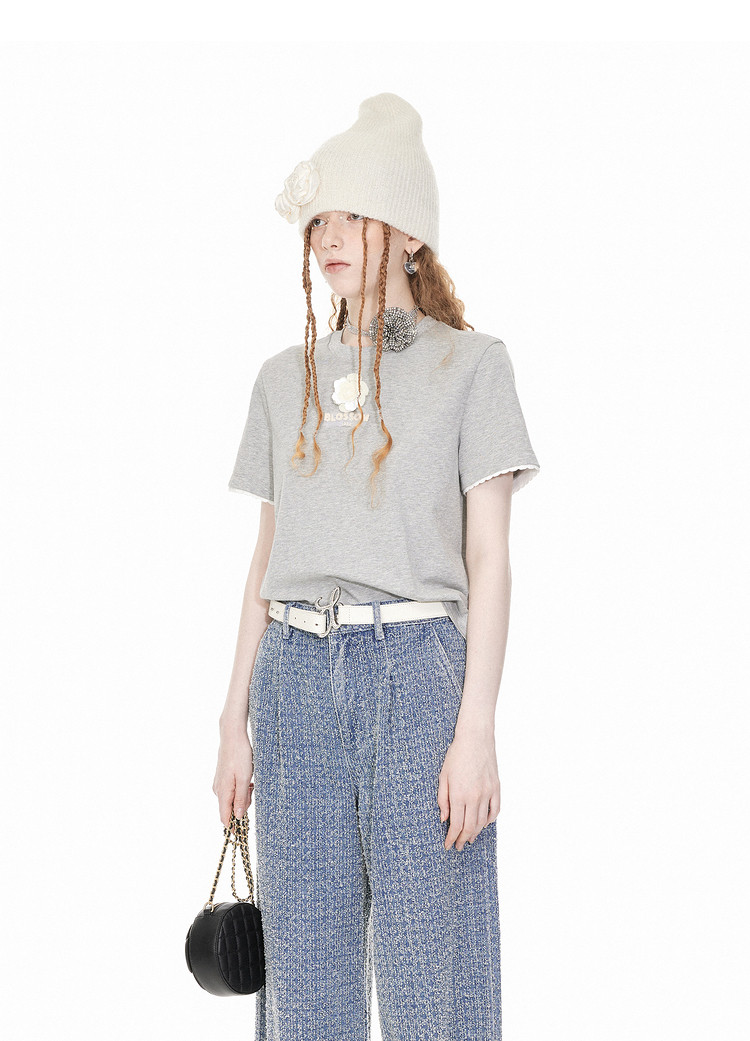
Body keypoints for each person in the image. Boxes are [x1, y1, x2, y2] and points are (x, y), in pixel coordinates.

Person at [213, 92, 540, 1041]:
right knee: (304, 982)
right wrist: (232, 718)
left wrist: (477, 727)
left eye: (352, 214)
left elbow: (490, 556)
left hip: (418, 673)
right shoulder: (283, 377)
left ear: (409, 234)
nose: (328, 236)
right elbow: (266, 557)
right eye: (319, 219)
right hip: (292, 678)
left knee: (431, 970)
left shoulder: (473, 366)